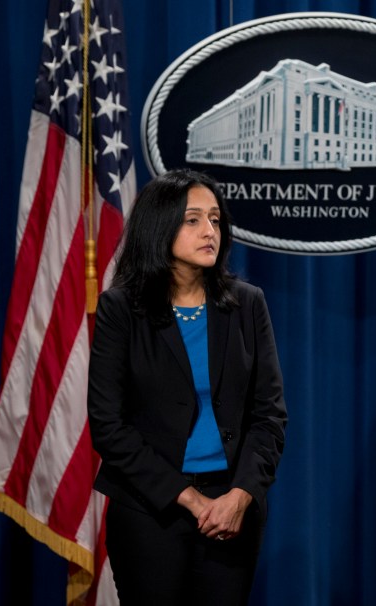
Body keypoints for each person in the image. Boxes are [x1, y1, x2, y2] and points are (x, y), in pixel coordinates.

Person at [88, 168, 287, 604]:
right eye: (193, 219)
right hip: (149, 510)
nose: (209, 231)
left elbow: (269, 416)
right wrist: (192, 501)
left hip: (233, 510)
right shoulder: (121, 308)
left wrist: (240, 496)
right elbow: (108, 426)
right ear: (160, 227)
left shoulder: (247, 304)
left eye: (215, 219)